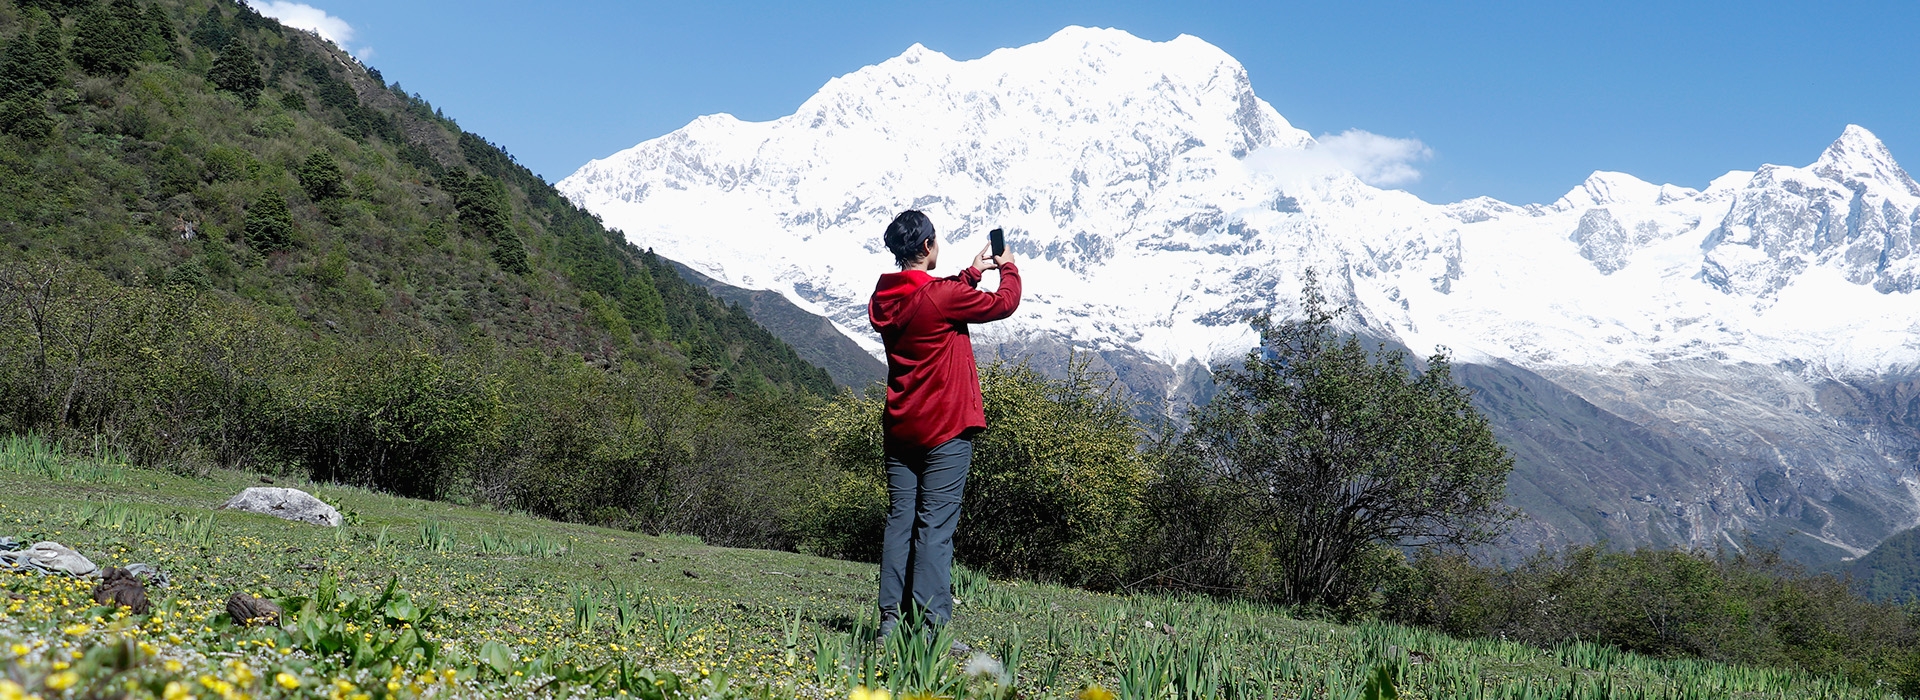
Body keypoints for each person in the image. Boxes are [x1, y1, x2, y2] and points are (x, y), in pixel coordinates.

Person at [867, 210, 1021, 641]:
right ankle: (932, 631)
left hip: (900, 428)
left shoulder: (882, 297)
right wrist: (1006, 266)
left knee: (900, 523)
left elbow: (929, 300)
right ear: (926, 247)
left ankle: (889, 623)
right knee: (934, 528)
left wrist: (971, 272)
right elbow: (1004, 303)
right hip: (945, 429)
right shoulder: (940, 297)